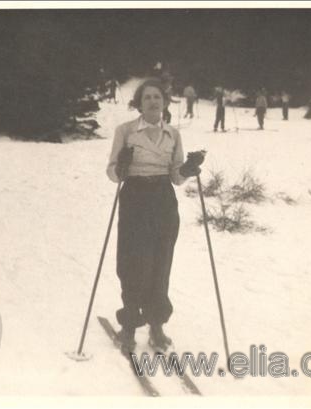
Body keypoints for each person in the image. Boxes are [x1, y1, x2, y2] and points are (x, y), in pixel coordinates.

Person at [106, 78, 205, 351]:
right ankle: (128, 324)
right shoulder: (125, 131)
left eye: (157, 97)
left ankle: (157, 324)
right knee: (133, 261)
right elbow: (111, 171)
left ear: (164, 102)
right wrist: (121, 168)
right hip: (135, 196)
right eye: (147, 97)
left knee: (161, 260)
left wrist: (188, 168)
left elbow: (175, 176)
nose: (152, 102)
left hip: (163, 198)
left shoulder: (173, 134)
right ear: (139, 103)